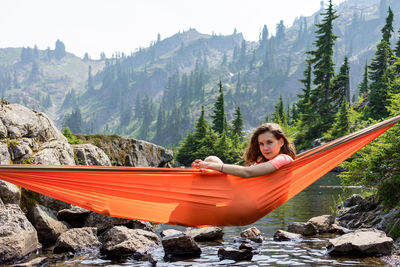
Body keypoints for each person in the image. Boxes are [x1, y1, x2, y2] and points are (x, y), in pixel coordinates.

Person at [191, 123, 296, 177]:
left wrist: (209, 166)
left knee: (211, 163)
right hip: (241, 191)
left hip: (247, 199)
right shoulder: (261, 160)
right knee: (212, 159)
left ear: (281, 142)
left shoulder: (283, 158)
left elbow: (248, 172)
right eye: (261, 144)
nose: (265, 148)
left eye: (269, 142)